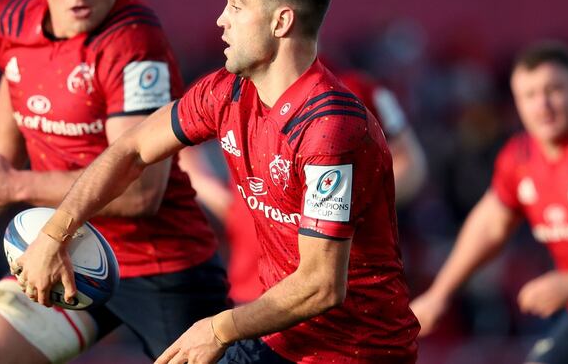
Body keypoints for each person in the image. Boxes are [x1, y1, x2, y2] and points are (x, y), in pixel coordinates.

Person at [17, 0, 420, 363]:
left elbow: (321, 285)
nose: (221, 19)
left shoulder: (330, 126)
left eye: (236, 5)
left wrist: (217, 329)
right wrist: (54, 233)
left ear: (281, 21)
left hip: (359, 351)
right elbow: (133, 148)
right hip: (279, 338)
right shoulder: (224, 93)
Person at [0, 0, 229, 362]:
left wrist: (10, 184)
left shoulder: (133, 43)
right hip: (64, 250)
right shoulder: (10, 21)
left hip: (160, 261)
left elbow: (139, 194)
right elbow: (15, 77)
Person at [411, 40, 568, 364]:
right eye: (530, 95)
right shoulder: (519, 156)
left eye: (553, 90)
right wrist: (439, 294)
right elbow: (489, 226)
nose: (543, 106)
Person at [180, 66, 427, 304]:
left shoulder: (355, 88)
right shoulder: (228, 89)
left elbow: (410, 163)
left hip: (339, 289)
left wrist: (341, 208)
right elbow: (182, 145)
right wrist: (230, 207)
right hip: (252, 285)